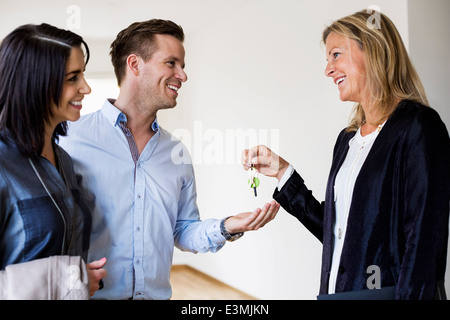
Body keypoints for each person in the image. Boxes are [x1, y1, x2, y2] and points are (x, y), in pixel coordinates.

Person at [59, 19, 280, 300]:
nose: (183, 76)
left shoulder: (176, 153)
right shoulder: (69, 139)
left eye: (183, 66)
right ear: (135, 65)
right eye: (171, 63)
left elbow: (182, 230)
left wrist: (228, 226)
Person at [242, 10, 450, 300]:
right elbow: (338, 231)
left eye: (336, 55)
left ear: (373, 51)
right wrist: (282, 172)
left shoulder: (419, 127)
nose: (328, 69)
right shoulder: (347, 139)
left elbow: (425, 243)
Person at [0, 23, 107, 299]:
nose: (86, 87)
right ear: (33, 82)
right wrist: (67, 280)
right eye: (73, 77)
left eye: (82, 74)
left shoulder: (65, 161)